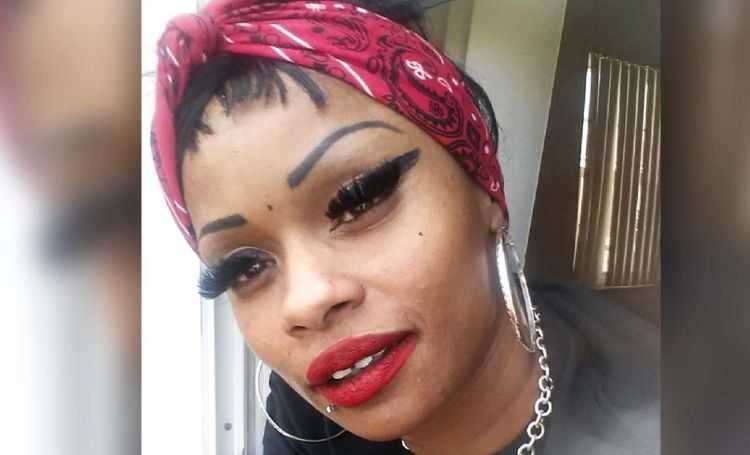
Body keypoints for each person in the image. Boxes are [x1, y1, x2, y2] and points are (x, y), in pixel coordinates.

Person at [150, 1, 659, 453]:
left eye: (359, 200)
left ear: (484, 188)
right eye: (245, 267)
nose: (303, 303)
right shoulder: (310, 406)